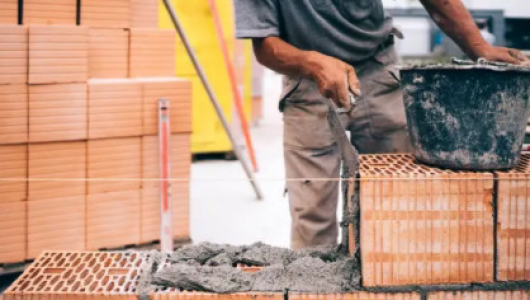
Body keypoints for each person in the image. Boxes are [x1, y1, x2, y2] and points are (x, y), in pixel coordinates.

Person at [235, 0, 530, 250]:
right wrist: (312, 63)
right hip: (306, 77)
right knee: (311, 216)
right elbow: (265, 45)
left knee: (396, 204)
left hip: (375, 64)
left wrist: (478, 46)